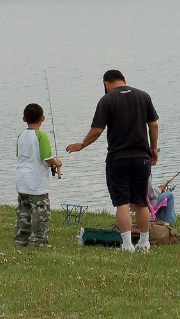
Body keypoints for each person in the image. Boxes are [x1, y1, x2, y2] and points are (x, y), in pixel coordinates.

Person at [66, 70, 159, 252]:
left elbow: (97, 130)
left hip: (118, 159)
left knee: (122, 202)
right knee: (141, 201)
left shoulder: (107, 100)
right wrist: (153, 148)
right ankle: (144, 242)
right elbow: (153, 124)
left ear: (106, 83)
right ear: (124, 80)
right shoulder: (143, 96)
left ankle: (127, 245)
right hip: (142, 158)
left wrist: (82, 144)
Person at [15, 103, 62, 248]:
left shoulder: (21, 135)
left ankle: (20, 241)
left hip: (21, 181)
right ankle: (39, 242)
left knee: (23, 212)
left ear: (24, 119)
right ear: (43, 118)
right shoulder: (41, 136)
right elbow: (46, 158)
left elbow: (20, 155)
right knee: (41, 215)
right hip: (36, 183)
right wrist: (57, 162)